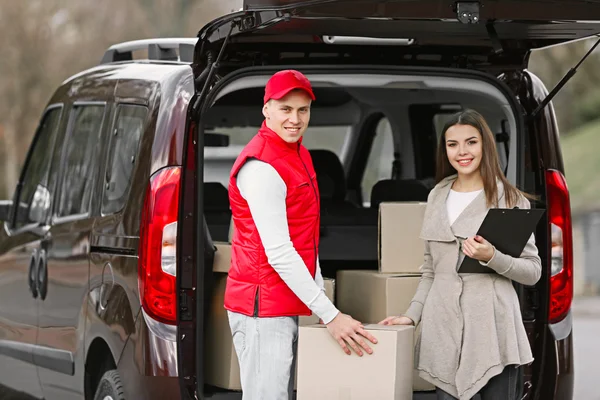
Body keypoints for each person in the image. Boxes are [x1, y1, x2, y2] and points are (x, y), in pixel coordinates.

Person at [224, 69, 377, 400]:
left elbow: (305, 240)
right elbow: (279, 252)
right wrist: (330, 314)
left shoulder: (297, 154)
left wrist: (320, 302)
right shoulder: (262, 167)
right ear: (266, 109)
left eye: (303, 110)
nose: (295, 119)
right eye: (285, 109)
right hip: (262, 308)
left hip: (288, 302)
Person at [379, 109, 542, 400]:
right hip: (443, 332)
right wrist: (411, 316)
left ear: (486, 146)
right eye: (452, 144)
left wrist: (492, 256)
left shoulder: (509, 198)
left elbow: (532, 272)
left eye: (471, 142)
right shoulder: (437, 195)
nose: (462, 152)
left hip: (493, 332)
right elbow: (431, 270)